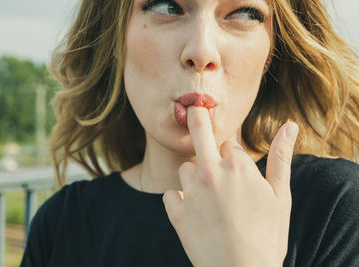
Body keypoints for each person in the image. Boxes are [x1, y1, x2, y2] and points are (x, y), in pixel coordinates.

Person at [21, 0, 359, 266]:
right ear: (115, 38)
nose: (201, 52)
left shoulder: (338, 207)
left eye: (243, 12)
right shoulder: (61, 224)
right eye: (167, 6)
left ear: (271, 53)